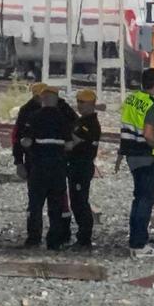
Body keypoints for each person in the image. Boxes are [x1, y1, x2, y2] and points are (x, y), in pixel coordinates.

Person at [115, 67, 154, 258]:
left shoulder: (131, 99)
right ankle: (139, 244)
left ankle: (135, 241)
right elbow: (148, 134)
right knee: (146, 200)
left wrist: (120, 155)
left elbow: (126, 127)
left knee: (138, 199)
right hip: (147, 156)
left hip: (132, 155)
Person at [19, 86, 73, 250]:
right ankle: (54, 240)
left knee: (35, 204)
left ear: (43, 100)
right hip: (57, 167)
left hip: (38, 167)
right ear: (56, 100)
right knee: (55, 204)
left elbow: (26, 141)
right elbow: (69, 145)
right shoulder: (63, 118)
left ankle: (34, 238)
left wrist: (26, 146)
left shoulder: (34, 117)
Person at [66, 89, 101, 250]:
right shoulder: (81, 121)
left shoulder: (91, 124)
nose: (79, 106)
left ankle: (84, 237)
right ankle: (82, 235)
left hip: (82, 166)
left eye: (83, 103)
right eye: (78, 102)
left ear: (92, 104)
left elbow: (74, 142)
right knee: (76, 200)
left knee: (80, 201)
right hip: (76, 166)